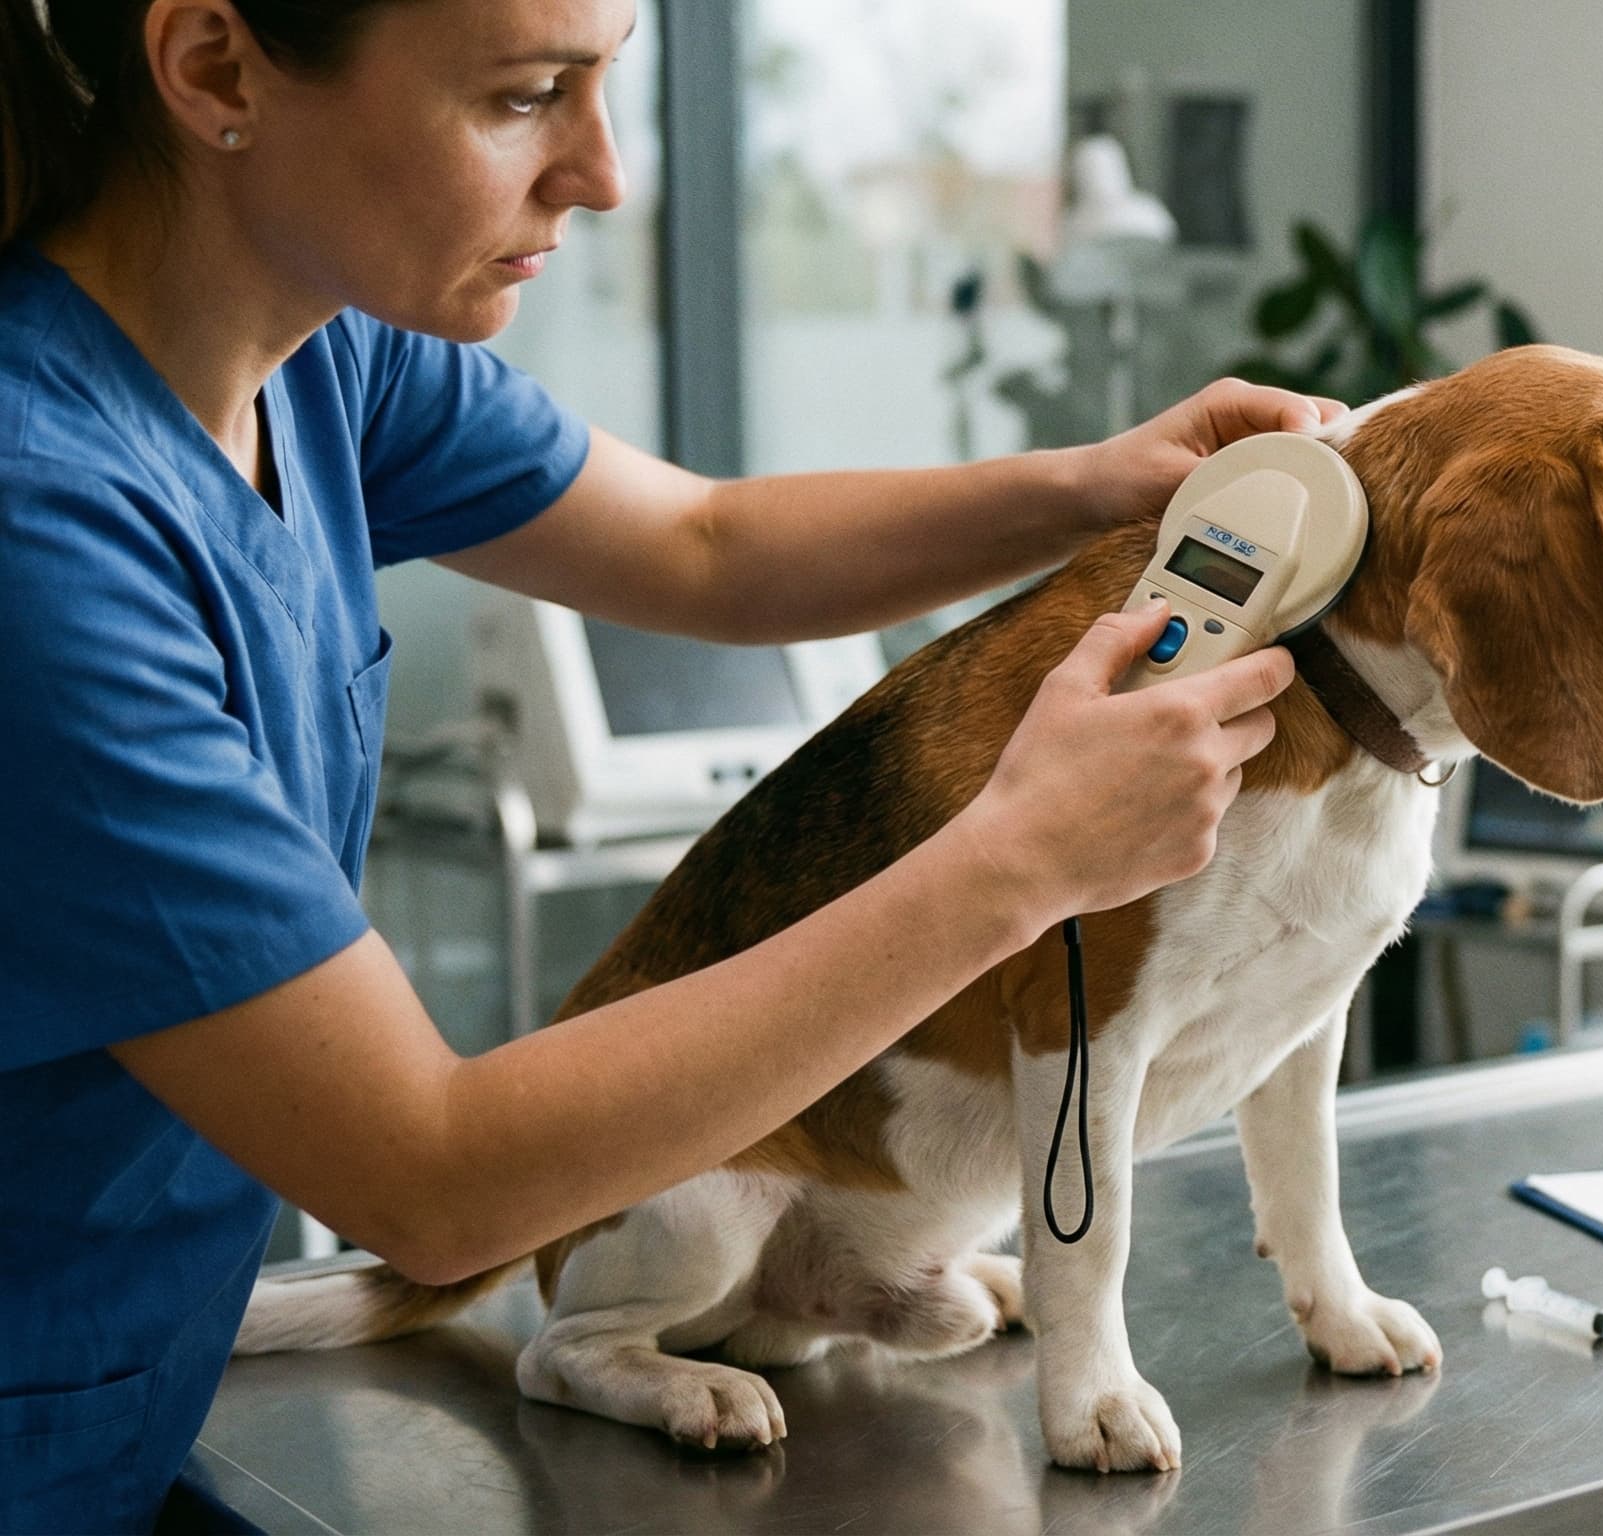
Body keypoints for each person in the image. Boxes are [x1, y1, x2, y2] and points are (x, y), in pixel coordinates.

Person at [0, 2, 1334, 1527]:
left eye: (605, 81)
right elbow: (431, 1180)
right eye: (525, 96)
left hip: (121, 1403)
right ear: (215, 67)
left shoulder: (318, 356)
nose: (605, 173)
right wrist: (1022, 861)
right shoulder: (42, 534)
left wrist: (1094, 485)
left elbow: (705, 547)